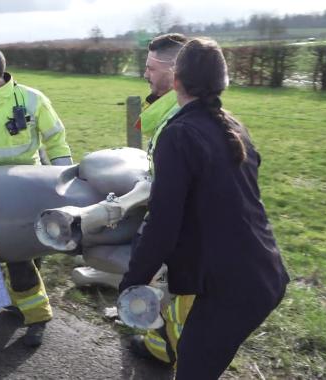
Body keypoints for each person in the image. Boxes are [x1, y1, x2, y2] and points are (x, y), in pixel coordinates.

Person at [119, 38, 290, 379]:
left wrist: (132, 282)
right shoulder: (233, 126)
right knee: (195, 357)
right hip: (263, 271)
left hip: (233, 287)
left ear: (177, 81)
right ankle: (163, 347)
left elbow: (163, 223)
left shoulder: (179, 134)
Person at [0, 45, 73, 347]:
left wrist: (67, 186)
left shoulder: (32, 100)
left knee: (22, 255)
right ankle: (24, 303)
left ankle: (37, 315)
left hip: (28, 189)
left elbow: (56, 140)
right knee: (15, 254)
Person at [127, 33, 198, 368]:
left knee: (185, 306)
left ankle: (183, 356)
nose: (145, 75)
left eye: (151, 68)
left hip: (188, 239)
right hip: (175, 230)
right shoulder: (168, 116)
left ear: (175, 73)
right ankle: (161, 347)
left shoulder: (178, 124)